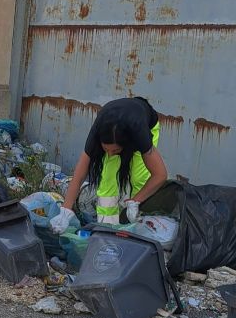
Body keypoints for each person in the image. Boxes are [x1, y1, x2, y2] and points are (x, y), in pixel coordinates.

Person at [50, 96, 168, 233]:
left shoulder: (140, 134)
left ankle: (137, 228)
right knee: (107, 182)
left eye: (115, 151)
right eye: (106, 150)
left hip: (145, 126)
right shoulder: (98, 133)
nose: (110, 154)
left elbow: (160, 175)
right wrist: (65, 211)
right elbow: (79, 175)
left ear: (124, 145)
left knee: (139, 178)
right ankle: (106, 229)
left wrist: (136, 201)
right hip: (118, 128)